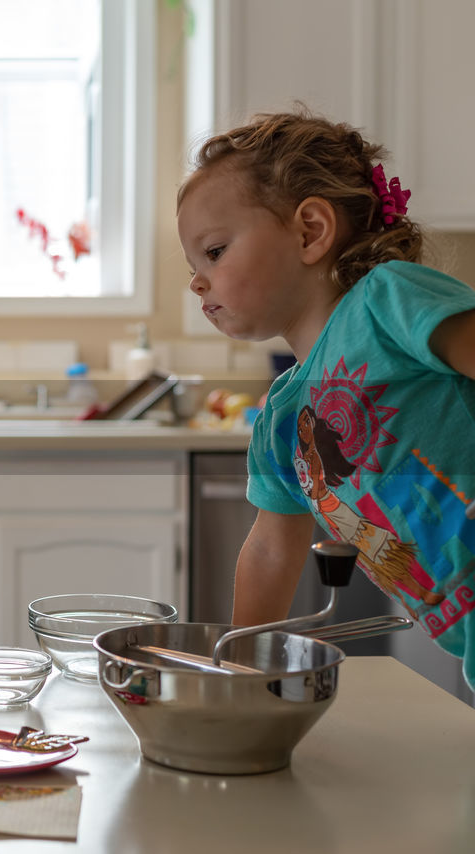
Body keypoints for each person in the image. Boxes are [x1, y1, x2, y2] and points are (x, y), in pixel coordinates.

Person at [177, 109, 475, 691]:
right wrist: (238, 675)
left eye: (213, 252)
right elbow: (270, 549)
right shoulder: (283, 419)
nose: (197, 280)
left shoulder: (388, 299)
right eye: (192, 266)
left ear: (310, 231)